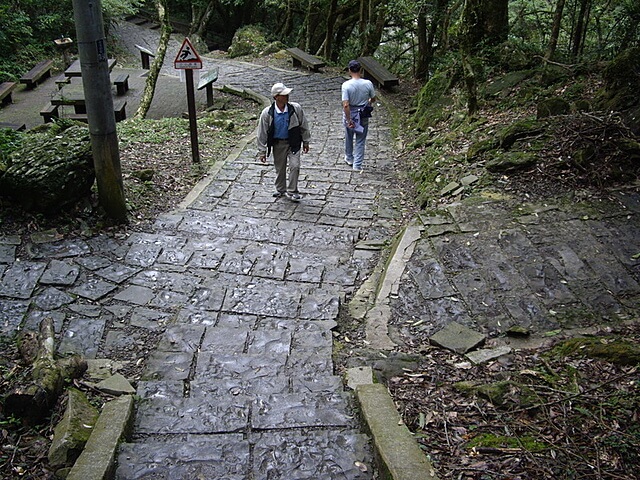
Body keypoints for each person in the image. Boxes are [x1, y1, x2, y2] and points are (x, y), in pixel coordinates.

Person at [257, 82, 311, 201]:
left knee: (295, 166)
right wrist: (262, 151)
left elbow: (304, 125)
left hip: (293, 143)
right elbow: (262, 132)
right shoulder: (267, 113)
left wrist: (306, 141)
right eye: (283, 95)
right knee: (279, 168)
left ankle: (293, 191)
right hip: (278, 144)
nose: (287, 96)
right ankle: (281, 189)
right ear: (276, 97)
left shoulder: (295, 108)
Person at [341, 60, 376, 172]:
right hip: (363, 114)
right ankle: (357, 164)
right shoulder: (368, 84)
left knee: (349, 136)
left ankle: (349, 157)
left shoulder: (346, 85)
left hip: (351, 113)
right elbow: (373, 98)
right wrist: (369, 101)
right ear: (361, 70)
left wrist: (348, 119)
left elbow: (346, 104)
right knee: (361, 139)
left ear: (349, 70)